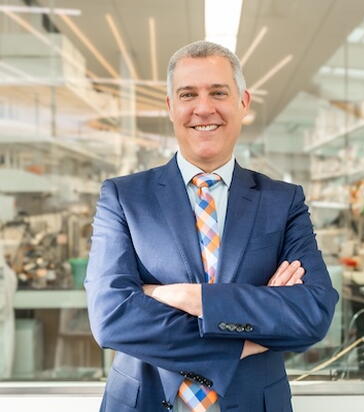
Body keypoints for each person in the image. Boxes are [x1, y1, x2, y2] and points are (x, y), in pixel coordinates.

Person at [85, 40, 339, 412]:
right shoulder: (124, 198)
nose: (203, 108)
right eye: (188, 94)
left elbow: (313, 313)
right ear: (171, 107)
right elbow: (111, 317)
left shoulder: (283, 201)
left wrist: (190, 298)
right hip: (145, 401)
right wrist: (248, 334)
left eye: (218, 92)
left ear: (243, 103)